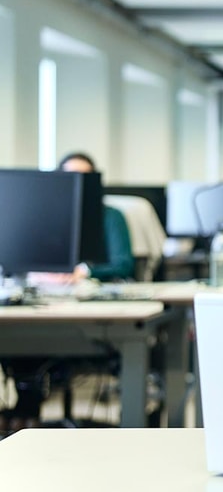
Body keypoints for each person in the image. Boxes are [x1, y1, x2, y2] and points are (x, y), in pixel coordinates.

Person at [0, 153, 134, 435]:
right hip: (37, 302)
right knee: (20, 346)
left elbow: (124, 263)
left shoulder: (110, 216)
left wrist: (82, 272)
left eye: (85, 176)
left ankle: (27, 420)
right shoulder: (40, 214)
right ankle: (21, 419)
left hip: (86, 312)